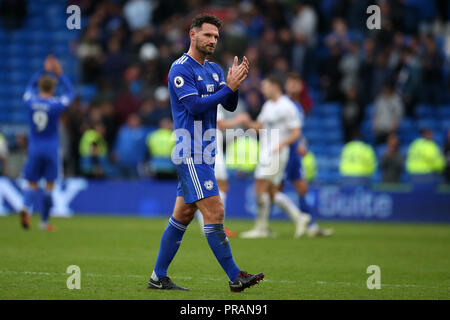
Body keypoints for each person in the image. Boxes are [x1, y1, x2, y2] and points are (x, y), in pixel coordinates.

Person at [148, 14, 263, 292]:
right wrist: (227, 87)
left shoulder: (213, 69)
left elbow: (230, 105)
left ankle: (157, 277)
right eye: (208, 35)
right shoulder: (180, 69)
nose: (212, 41)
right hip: (191, 151)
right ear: (192, 34)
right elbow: (197, 107)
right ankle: (236, 276)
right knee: (216, 210)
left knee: (184, 215)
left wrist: (234, 86)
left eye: (215, 37)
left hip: (207, 151)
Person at [239, 75, 311, 239]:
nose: (263, 90)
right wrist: (246, 121)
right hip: (266, 152)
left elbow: (297, 133)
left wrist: (282, 144)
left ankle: (261, 227)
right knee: (271, 191)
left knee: (260, 187)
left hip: (277, 153)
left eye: (265, 86)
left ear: (275, 86)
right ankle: (299, 217)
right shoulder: (268, 106)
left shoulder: (288, 106)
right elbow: (259, 127)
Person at [19, 55, 74, 231]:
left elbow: (28, 87)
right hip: (50, 148)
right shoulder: (55, 104)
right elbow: (71, 93)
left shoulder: (30, 101)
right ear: (53, 88)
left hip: (34, 148)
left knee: (31, 183)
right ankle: (44, 222)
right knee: (49, 185)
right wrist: (60, 74)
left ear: (40, 86)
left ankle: (25, 208)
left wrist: (43, 71)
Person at [282, 73, 333, 237]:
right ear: (286, 85)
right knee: (273, 190)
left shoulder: (298, 105)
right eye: (291, 82)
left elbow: (297, 130)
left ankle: (310, 225)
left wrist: (300, 145)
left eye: (297, 83)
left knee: (302, 187)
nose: (294, 86)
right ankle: (265, 225)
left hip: (294, 152)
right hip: (284, 152)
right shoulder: (283, 104)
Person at [195, 107, 251, 238]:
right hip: (212, 150)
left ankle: (208, 225)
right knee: (221, 186)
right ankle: (215, 226)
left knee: (205, 189)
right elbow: (220, 124)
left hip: (202, 147)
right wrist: (239, 119)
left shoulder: (200, 98)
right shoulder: (214, 98)